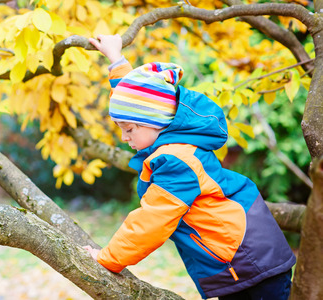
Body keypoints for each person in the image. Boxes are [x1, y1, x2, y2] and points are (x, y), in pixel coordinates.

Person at [83, 34, 295, 300]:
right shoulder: (170, 138)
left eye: (128, 130)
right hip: (247, 263)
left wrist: (108, 259)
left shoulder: (177, 161)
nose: (125, 138)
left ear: (157, 123)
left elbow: (152, 221)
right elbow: (135, 99)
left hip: (249, 267)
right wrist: (116, 59)